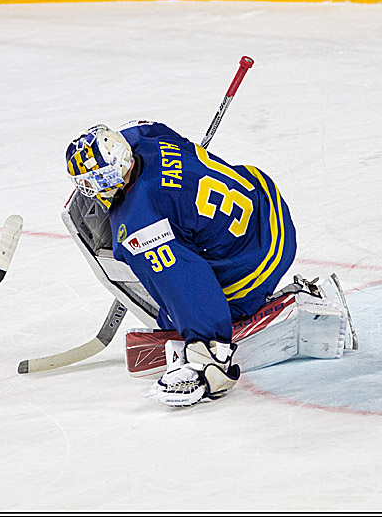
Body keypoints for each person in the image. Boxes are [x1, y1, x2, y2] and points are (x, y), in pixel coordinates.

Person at [65, 120, 299, 406]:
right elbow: (143, 128)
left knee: (168, 297)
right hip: (264, 201)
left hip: (254, 264)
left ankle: (210, 355)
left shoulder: (142, 224)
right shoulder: (146, 138)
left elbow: (186, 281)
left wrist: (204, 344)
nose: (90, 189)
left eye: (94, 181)